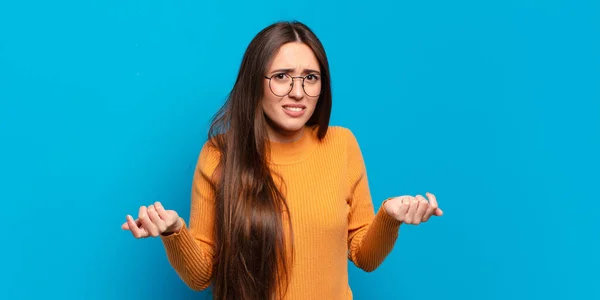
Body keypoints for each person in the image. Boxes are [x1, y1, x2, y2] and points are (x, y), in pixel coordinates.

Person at [121, 20, 443, 300]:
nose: (298, 92)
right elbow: (201, 275)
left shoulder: (341, 144)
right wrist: (175, 231)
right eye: (281, 77)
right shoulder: (220, 154)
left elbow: (364, 256)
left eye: (310, 78)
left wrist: (388, 216)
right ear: (255, 83)